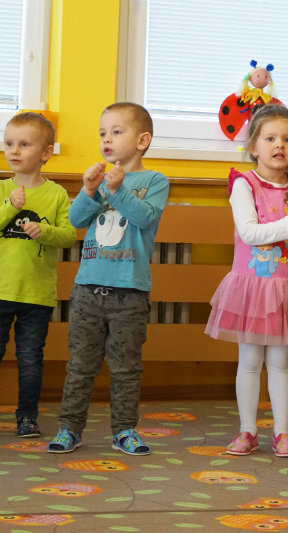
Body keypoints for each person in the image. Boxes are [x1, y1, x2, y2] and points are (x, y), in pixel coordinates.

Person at [47, 102, 170, 455]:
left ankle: (124, 431)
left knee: (125, 367)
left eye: (117, 132)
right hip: (87, 290)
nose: (107, 139)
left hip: (130, 294)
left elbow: (144, 218)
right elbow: (76, 220)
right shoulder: (99, 180)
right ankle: (69, 429)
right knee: (80, 365)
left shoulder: (155, 181)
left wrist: (117, 191)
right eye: (103, 133)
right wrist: (88, 190)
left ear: (142, 140)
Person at [205, 104, 288, 457]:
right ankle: (248, 431)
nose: (279, 145)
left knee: (281, 363)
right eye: (270, 138)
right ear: (253, 146)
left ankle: (283, 433)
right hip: (253, 289)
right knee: (250, 362)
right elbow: (249, 232)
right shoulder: (244, 185)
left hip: (287, 288)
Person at [1, 112, 77, 438]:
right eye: (9, 143)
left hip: (37, 295)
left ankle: (27, 418)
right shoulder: (2, 189)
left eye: (24, 144)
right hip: (1, 290)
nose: (14, 150)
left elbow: (69, 236)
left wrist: (43, 231)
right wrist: (10, 206)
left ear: (46, 152)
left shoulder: (56, 194)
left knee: (30, 358)